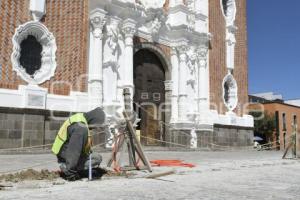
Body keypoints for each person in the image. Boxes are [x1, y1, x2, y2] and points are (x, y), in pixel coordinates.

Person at [52, 107, 106, 181]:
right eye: (96, 125)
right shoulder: (80, 128)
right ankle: (67, 168)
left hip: (65, 150)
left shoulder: (81, 119)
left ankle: (73, 168)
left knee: (97, 157)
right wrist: (71, 174)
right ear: (93, 121)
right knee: (95, 159)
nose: (95, 128)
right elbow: (74, 151)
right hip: (65, 154)